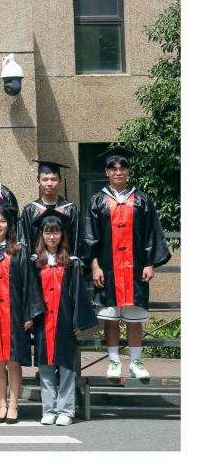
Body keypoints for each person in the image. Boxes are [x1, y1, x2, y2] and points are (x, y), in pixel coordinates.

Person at [82, 146, 171, 379]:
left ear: (129, 171)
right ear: (107, 172)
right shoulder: (97, 200)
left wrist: (150, 263)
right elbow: (90, 235)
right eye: (113, 168)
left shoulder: (142, 199)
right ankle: (113, 361)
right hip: (108, 269)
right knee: (110, 318)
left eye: (122, 168)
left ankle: (135, 362)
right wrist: (94, 265)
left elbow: (151, 232)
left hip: (136, 269)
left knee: (134, 318)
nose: (118, 172)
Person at [31, 208, 99, 426]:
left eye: (56, 232)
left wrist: (78, 321)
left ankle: (66, 410)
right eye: (47, 232)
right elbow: (30, 292)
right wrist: (30, 316)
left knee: (67, 367)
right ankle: (49, 409)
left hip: (65, 319)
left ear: (62, 235)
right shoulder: (35, 262)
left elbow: (79, 293)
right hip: (43, 321)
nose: (51, 237)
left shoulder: (72, 262)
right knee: (45, 366)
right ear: (41, 235)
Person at [0, 203, 43, 424]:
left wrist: (28, 314)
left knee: (13, 361)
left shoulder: (19, 250)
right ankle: (2, 404)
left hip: (14, 313)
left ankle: (14, 404)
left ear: (9, 224)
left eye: (2, 221)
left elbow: (28, 283)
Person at [18, 160, 83, 259]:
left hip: (65, 263)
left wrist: (74, 264)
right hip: (37, 264)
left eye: (53, 179)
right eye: (45, 179)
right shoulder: (30, 210)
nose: (49, 183)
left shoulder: (71, 209)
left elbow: (77, 241)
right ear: (38, 181)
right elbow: (25, 242)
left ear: (60, 180)